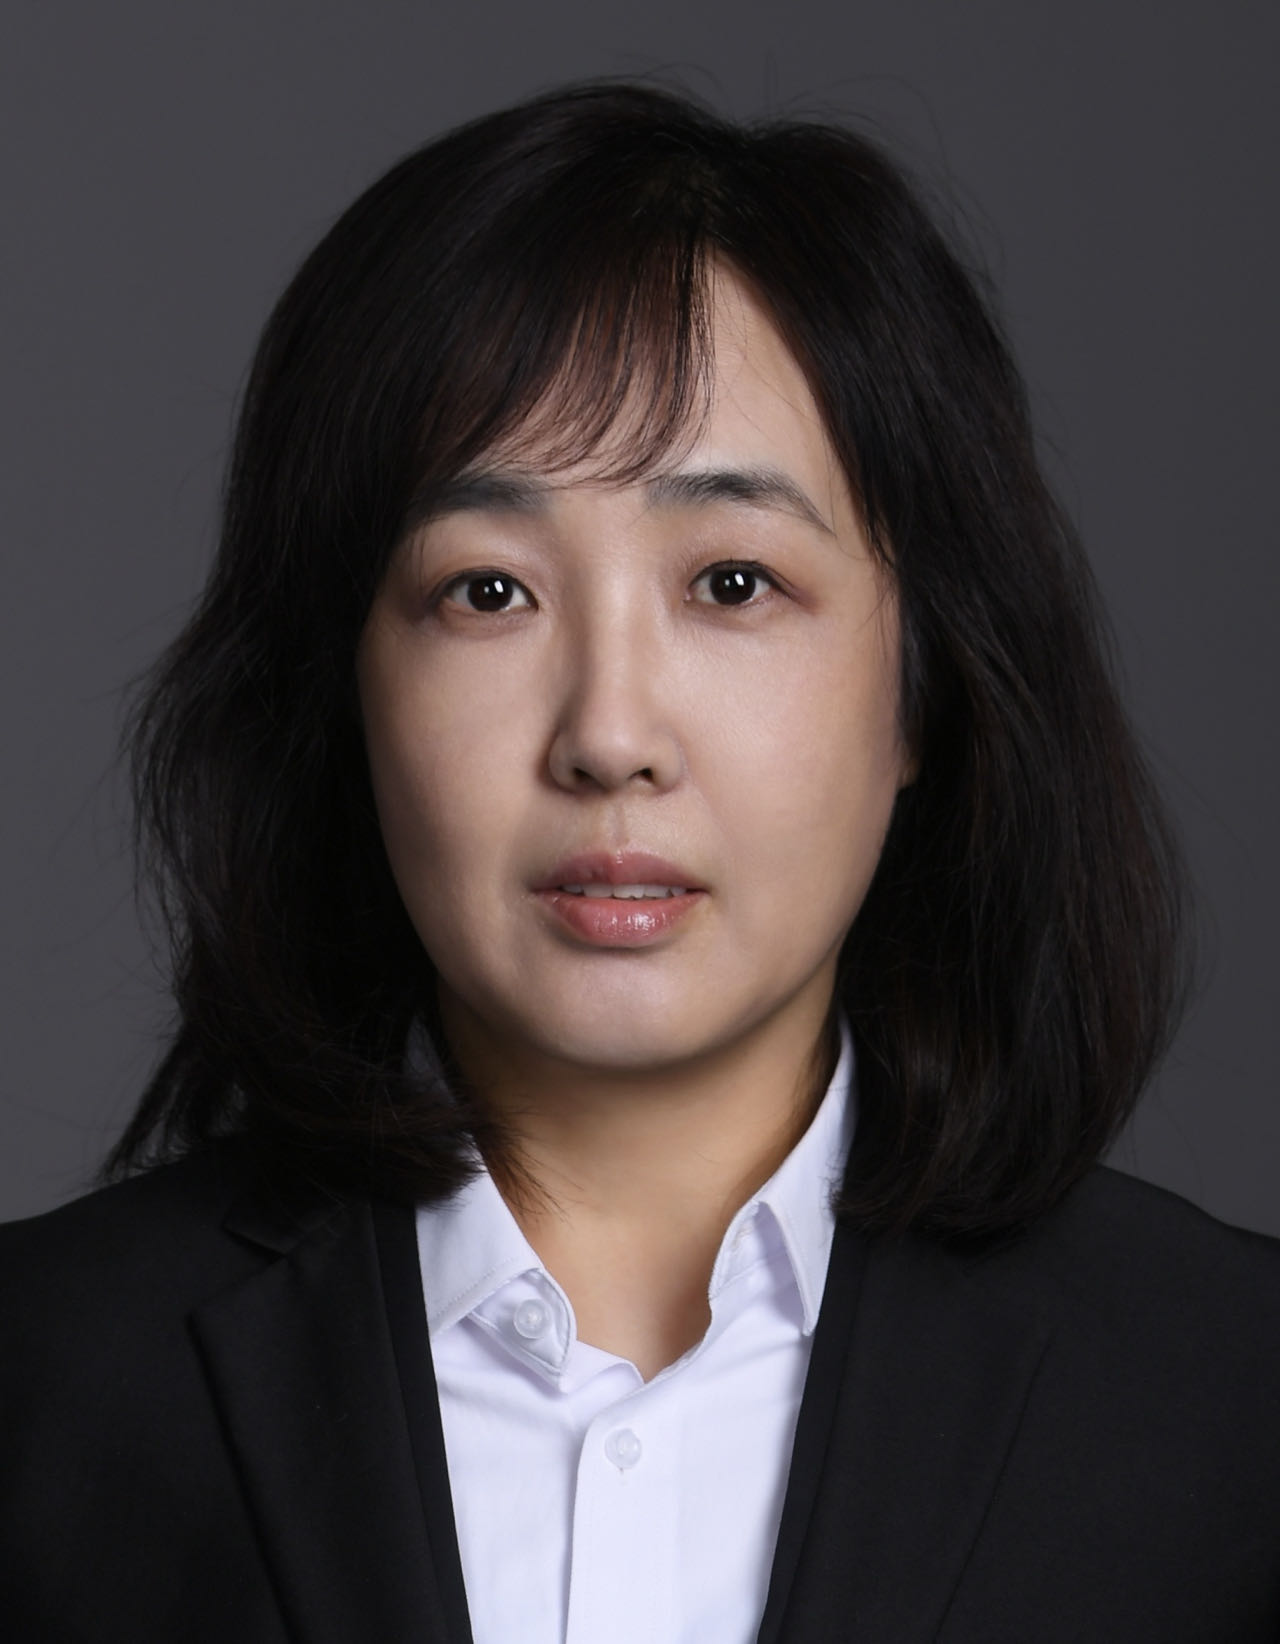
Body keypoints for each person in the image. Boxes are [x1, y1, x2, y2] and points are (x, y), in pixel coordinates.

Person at [1, 79, 1277, 1644]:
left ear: (926, 686)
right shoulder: (44, 1386)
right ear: (345, 689)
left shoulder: (1232, 1403)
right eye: (488, 591)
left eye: (732, 582)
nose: (610, 735)